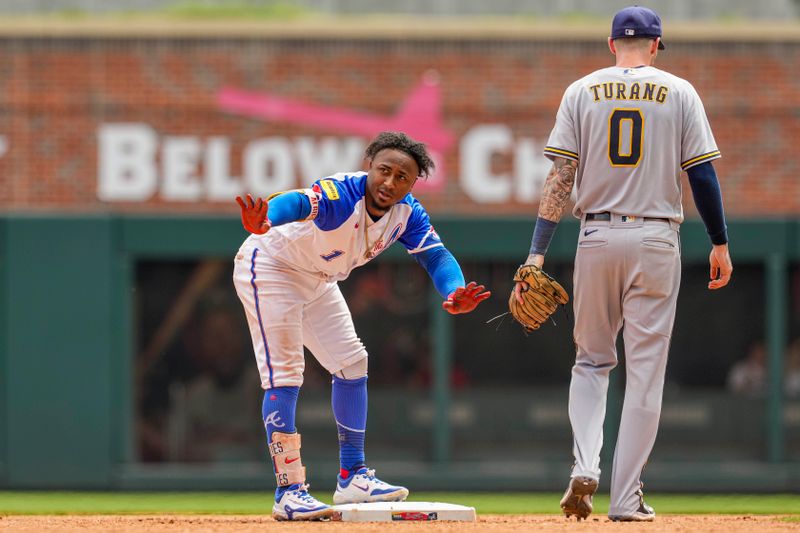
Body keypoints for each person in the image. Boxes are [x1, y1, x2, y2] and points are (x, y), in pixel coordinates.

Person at [515, 6, 733, 522]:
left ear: (611, 44)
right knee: (645, 375)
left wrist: (536, 251)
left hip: (595, 234)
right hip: (656, 237)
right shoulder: (679, 91)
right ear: (656, 45)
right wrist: (719, 242)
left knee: (591, 362)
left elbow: (560, 178)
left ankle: (583, 463)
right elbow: (702, 175)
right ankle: (626, 497)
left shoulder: (580, 90)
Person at [232, 131, 490, 521]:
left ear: (412, 183)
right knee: (285, 374)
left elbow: (437, 258)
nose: (389, 182)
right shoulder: (342, 194)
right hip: (271, 268)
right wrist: (267, 216)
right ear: (369, 165)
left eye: (401, 177)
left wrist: (453, 292)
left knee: (352, 363)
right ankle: (288, 490)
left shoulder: (407, 214)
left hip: (318, 278)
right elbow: (299, 202)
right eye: (384, 170)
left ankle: (352, 476)